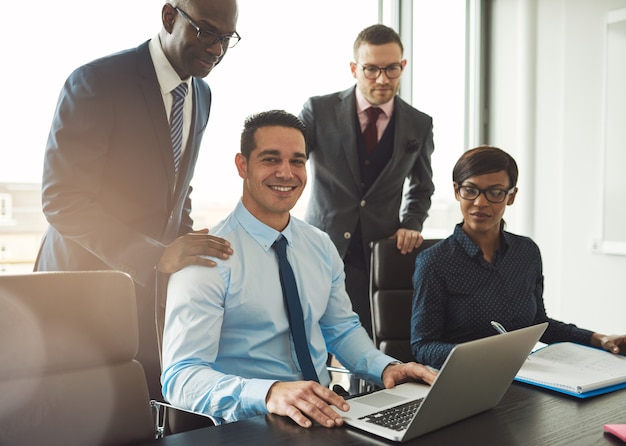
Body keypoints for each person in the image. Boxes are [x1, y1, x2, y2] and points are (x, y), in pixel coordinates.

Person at [161, 110, 437, 428]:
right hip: (249, 424)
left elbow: (341, 330)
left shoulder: (319, 245)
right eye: (270, 159)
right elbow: (181, 378)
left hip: (325, 416)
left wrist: (386, 368)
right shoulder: (208, 258)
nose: (286, 173)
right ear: (242, 165)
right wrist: (269, 393)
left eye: (297, 161)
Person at [33, 0, 239, 400]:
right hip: (81, 284)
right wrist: (153, 256)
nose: (217, 49)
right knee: (77, 413)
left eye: (227, 38)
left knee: (141, 407)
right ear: (168, 17)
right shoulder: (97, 81)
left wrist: (189, 253)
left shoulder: (203, 93)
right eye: (207, 32)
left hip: (147, 291)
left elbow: (177, 188)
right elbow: (62, 198)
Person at [410, 145, 626, 369]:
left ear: (511, 196)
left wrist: (599, 339)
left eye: (495, 192)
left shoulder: (527, 252)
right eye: (470, 190)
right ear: (457, 191)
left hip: (522, 378)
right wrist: (487, 355)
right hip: (462, 380)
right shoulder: (434, 262)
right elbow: (423, 346)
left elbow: (539, 324)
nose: (480, 202)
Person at [299, 24, 435, 335]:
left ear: (403, 66)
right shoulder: (318, 110)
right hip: (321, 245)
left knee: (366, 340)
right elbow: (293, 164)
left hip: (376, 253)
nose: (383, 79)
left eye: (391, 69)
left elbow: (422, 186)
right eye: (371, 69)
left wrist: (411, 224)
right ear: (354, 68)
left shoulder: (419, 124)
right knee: (308, 340)